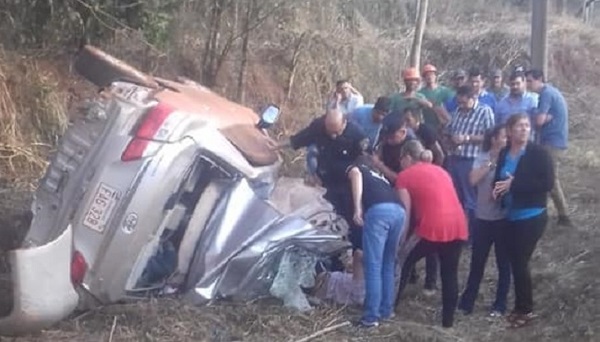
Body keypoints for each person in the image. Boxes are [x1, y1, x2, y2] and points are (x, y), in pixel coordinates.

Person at [271, 108, 369, 254]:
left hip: (347, 183)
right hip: (324, 179)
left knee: (349, 221)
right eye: (330, 132)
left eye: (337, 132)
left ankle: (350, 254)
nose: (334, 136)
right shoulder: (318, 127)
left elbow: (364, 162)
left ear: (344, 123)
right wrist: (275, 146)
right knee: (323, 218)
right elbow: (298, 139)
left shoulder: (357, 135)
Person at [394, 140, 468, 328]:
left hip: (432, 227)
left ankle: (389, 306)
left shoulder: (404, 176)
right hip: (458, 224)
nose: (400, 162)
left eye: (401, 158)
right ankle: (448, 322)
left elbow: (406, 212)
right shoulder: (441, 170)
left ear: (408, 157)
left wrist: (401, 240)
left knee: (403, 261)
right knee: (449, 273)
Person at [492, 113, 554, 328]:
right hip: (510, 215)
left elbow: (547, 184)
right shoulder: (504, 153)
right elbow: (499, 178)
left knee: (520, 260)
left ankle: (526, 309)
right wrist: (497, 190)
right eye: (519, 126)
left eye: (527, 126)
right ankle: (519, 306)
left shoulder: (539, 153)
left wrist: (514, 185)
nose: (524, 129)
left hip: (532, 214)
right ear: (509, 131)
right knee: (515, 262)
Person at [346, 156, 406, 327]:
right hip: (399, 211)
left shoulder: (356, 168)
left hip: (379, 212)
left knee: (373, 265)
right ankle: (387, 310)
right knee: (388, 262)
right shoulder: (378, 175)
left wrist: (357, 209)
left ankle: (371, 317)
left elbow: (355, 174)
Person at [458, 125, 511, 317]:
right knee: (477, 262)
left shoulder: (511, 158)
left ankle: (500, 304)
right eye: (504, 136)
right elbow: (472, 180)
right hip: (483, 218)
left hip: (503, 219)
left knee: (503, 263)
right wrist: (491, 163)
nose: (507, 139)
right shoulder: (483, 156)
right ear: (495, 138)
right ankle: (467, 301)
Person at [444, 85, 495, 241]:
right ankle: (460, 231)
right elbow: (449, 129)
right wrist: (450, 138)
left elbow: (490, 137)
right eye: (459, 103)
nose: (461, 106)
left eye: (464, 103)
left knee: (471, 200)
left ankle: (474, 235)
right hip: (455, 158)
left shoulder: (484, 111)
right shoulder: (458, 112)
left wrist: (467, 138)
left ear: (473, 99)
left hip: (472, 159)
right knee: (457, 198)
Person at [525, 69, 572, 227]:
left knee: (550, 178)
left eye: (530, 80)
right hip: (552, 140)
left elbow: (538, 121)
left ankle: (564, 215)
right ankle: (545, 211)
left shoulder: (546, 94)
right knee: (545, 176)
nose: (527, 84)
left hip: (552, 141)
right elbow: (543, 119)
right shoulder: (551, 92)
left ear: (539, 80)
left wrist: (535, 114)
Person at [418, 64, 454, 130]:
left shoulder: (445, 91)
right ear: (424, 78)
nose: (429, 77)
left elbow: (453, 106)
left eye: (431, 74)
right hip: (429, 126)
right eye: (427, 75)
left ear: (435, 76)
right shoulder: (420, 93)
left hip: (445, 126)